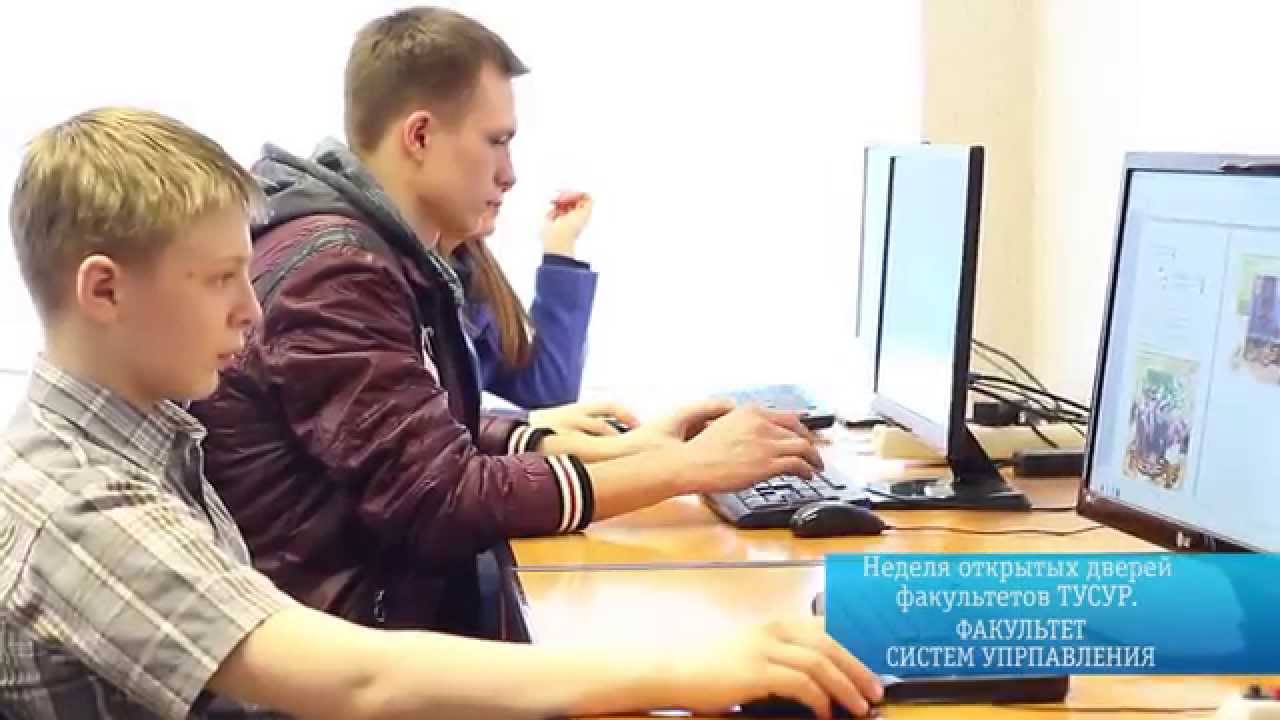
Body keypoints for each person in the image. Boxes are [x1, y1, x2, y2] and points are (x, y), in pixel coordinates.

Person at [0, 105, 883, 720]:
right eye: (221, 279)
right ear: (104, 291)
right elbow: (356, 682)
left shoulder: (148, 445)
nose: (251, 310)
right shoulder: (79, 503)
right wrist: (694, 668)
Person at [190, 5, 826, 637]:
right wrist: (686, 469)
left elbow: (416, 435)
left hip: (381, 608)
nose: (510, 173)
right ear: (419, 136)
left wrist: (624, 448)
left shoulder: (372, 251)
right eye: (497, 141)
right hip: (356, 642)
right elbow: (440, 498)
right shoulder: (336, 271)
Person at [447, 189, 602, 415]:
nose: (507, 179)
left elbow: (548, 395)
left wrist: (559, 246)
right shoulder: (398, 275)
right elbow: (430, 419)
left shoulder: (467, 269)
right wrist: (521, 430)